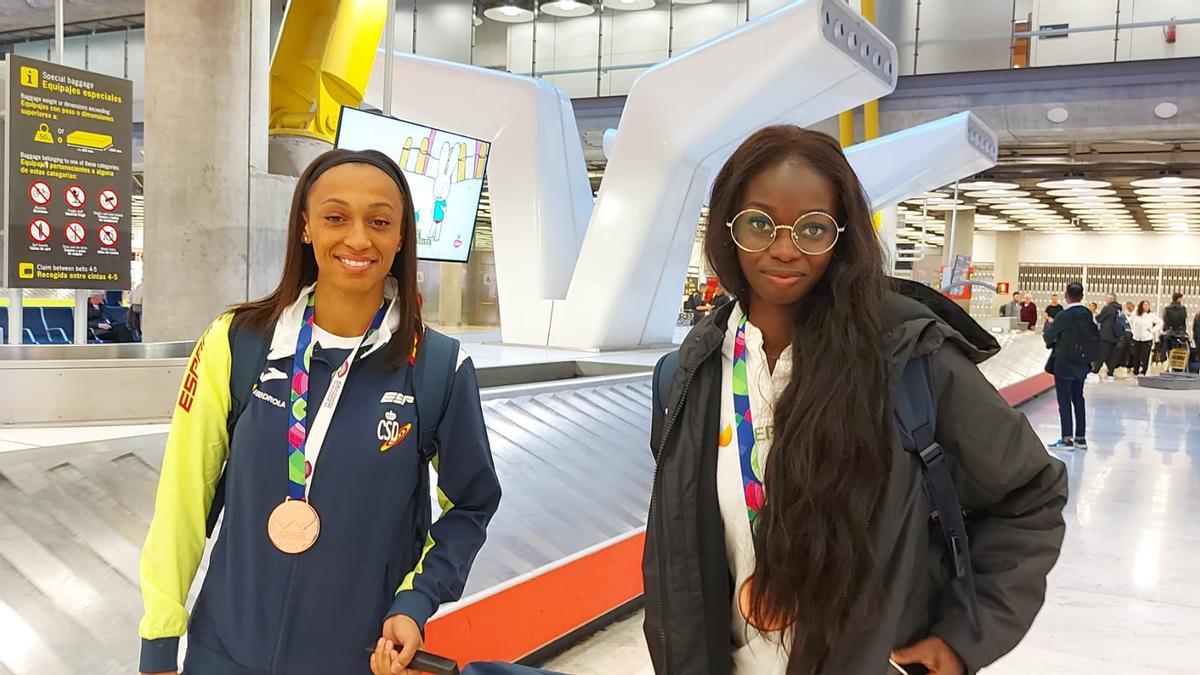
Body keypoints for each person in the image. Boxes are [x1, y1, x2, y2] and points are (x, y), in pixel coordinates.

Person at [643, 126, 1066, 675]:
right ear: (729, 228)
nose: (784, 248)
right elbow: (682, 550)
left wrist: (963, 636)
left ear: (842, 237)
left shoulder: (908, 358)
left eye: (813, 228)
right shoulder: (690, 376)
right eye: (759, 223)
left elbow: (1029, 493)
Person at [138, 149, 502, 675]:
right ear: (306, 227)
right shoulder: (237, 343)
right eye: (336, 217)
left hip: (356, 659)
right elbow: (183, 497)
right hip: (223, 654)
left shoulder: (438, 366)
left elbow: (472, 503)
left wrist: (416, 603)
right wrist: (159, 638)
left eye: (379, 221)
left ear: (401, 236)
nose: (357, 238)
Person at [1043, 283, 1099, 450]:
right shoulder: (1087, 314)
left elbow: (1049, 336)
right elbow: (1095, 337)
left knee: (1064, 400)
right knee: (1078, 398)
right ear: (1082, 296)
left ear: (1067, 295)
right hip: (1081, 364)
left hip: (1064, 363)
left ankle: (1066, 439)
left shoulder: (1063, 315)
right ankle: (1080, 438)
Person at [1093, 294, 1123, 381]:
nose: (1105, 299)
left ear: (1111, 299)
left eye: (1107, 298)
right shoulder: (1118, 309)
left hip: (1106, 335)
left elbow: (1099, 318)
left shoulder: (1108, 308)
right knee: (1112, 356)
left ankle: (1095, 371)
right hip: (1115, 336)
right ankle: (1110, 374)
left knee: (1101, 354)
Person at [1129, 300, 1161, 376]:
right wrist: (1133, 331)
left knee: (1145, 356)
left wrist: (1152, 330)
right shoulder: (1135, 314)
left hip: (1147, 339)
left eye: (1147, 305)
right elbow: (1131, 322)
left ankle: (1143, 371)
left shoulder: (1151, 315)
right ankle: (1135, 370)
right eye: (1145, 305)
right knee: (1136, 355)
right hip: (1136, 338)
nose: (1146, 307)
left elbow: (1160, 322)